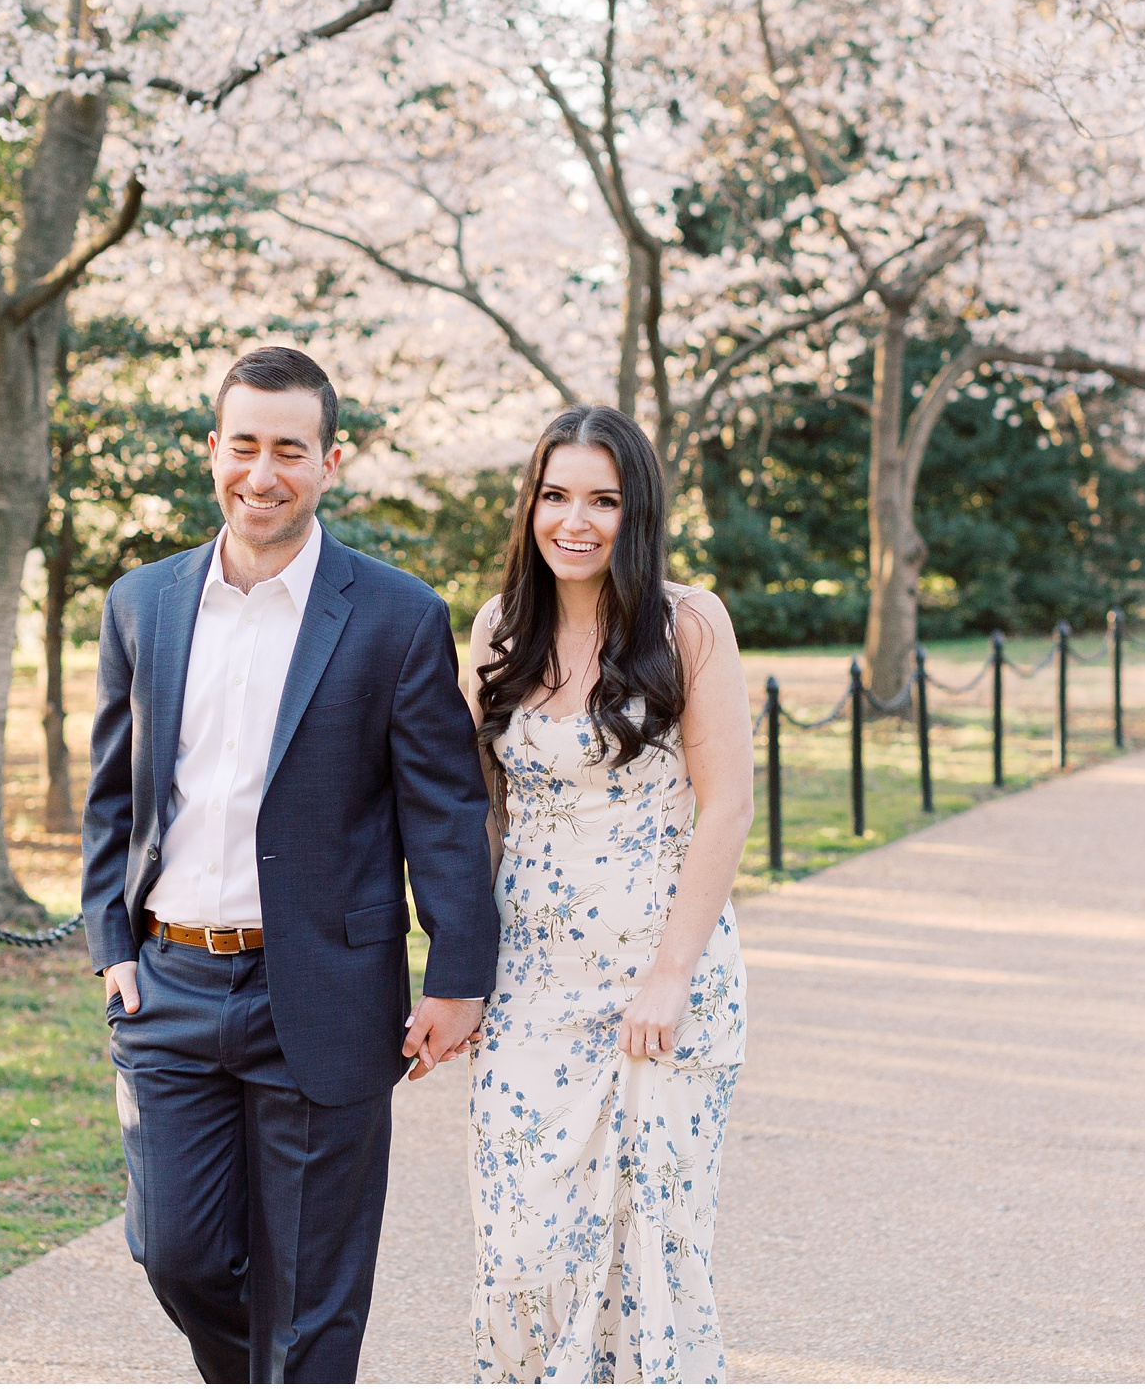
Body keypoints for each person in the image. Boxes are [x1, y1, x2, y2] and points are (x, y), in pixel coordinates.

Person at [80, 346, 499, 1383]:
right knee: (175, 1253)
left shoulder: (396, 614)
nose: (261, 473)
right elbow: (112, 792)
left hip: (324, 990)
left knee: (313, 1296)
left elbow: (443, 806)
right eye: (242, 445)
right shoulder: (143, 602)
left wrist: (457, 973)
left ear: (330, 460)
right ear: (210, 448)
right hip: (168, 985)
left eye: (288, 450)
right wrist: (109, 941)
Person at [464, 405, 755, 1383]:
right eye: (555, 495)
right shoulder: (498, 629)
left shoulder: (685, 623)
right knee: (520, 1254)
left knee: (644, 1262)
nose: (574, 520)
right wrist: (457, 969)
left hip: (659, 981)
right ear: (529, 506)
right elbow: (478, 810)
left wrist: (669, 975)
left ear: (637, 511)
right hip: (531, 983)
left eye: (602, 498)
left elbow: (725, 805)